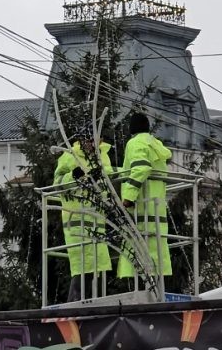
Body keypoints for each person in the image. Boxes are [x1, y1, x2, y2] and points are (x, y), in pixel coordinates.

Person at [117, 112, 173, 285]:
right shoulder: (155, 144)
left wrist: (127, 197)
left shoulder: (135, 143)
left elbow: (140, 168)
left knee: (138, 261)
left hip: (140, 209)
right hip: (156, 212)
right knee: (154, 262)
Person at [53, 137, 113, 301]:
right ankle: (75, 304)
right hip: (77, 222)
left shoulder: (102, 156)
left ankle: (86, 305)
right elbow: (56, 184)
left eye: (98, 140)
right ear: (82, 140)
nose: (95, 143)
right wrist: (73, 176)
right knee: (82, 268)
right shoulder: (69, 156)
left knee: (95, 269)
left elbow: (110, 175)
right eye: (91, 140)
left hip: (96, 222)